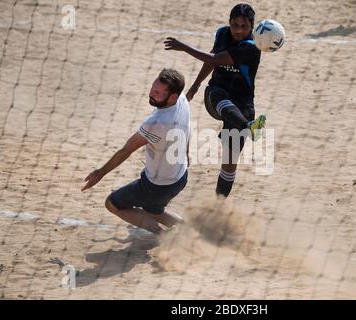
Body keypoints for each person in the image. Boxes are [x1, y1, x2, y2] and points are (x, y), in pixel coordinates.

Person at [164, 3, 266, 198]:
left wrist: (184, 47)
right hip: (215, 96)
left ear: (252, 26)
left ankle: (217, 206)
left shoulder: (251, 47)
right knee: (219, 94)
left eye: (244, 26)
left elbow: (215, 58)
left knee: (229, 164)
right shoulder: (222, 34)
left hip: (242, 104)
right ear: (229, 23)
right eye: (234, 25)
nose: (238, 30)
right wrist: (195, 86)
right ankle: (249, 127)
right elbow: (212, 59)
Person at [81, 68, 190, 234]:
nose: (151, 93)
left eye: (158, 92)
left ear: (172, 97)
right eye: (153, 88)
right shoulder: (182, 101)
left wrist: (100, 173)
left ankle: (164, 235)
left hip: (156, 185)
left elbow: (126, 150)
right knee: (153, 210)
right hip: (180, 176)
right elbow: (188, 128)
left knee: (112, 203)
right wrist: (187, 153)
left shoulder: (156, 123)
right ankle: (189, 231)